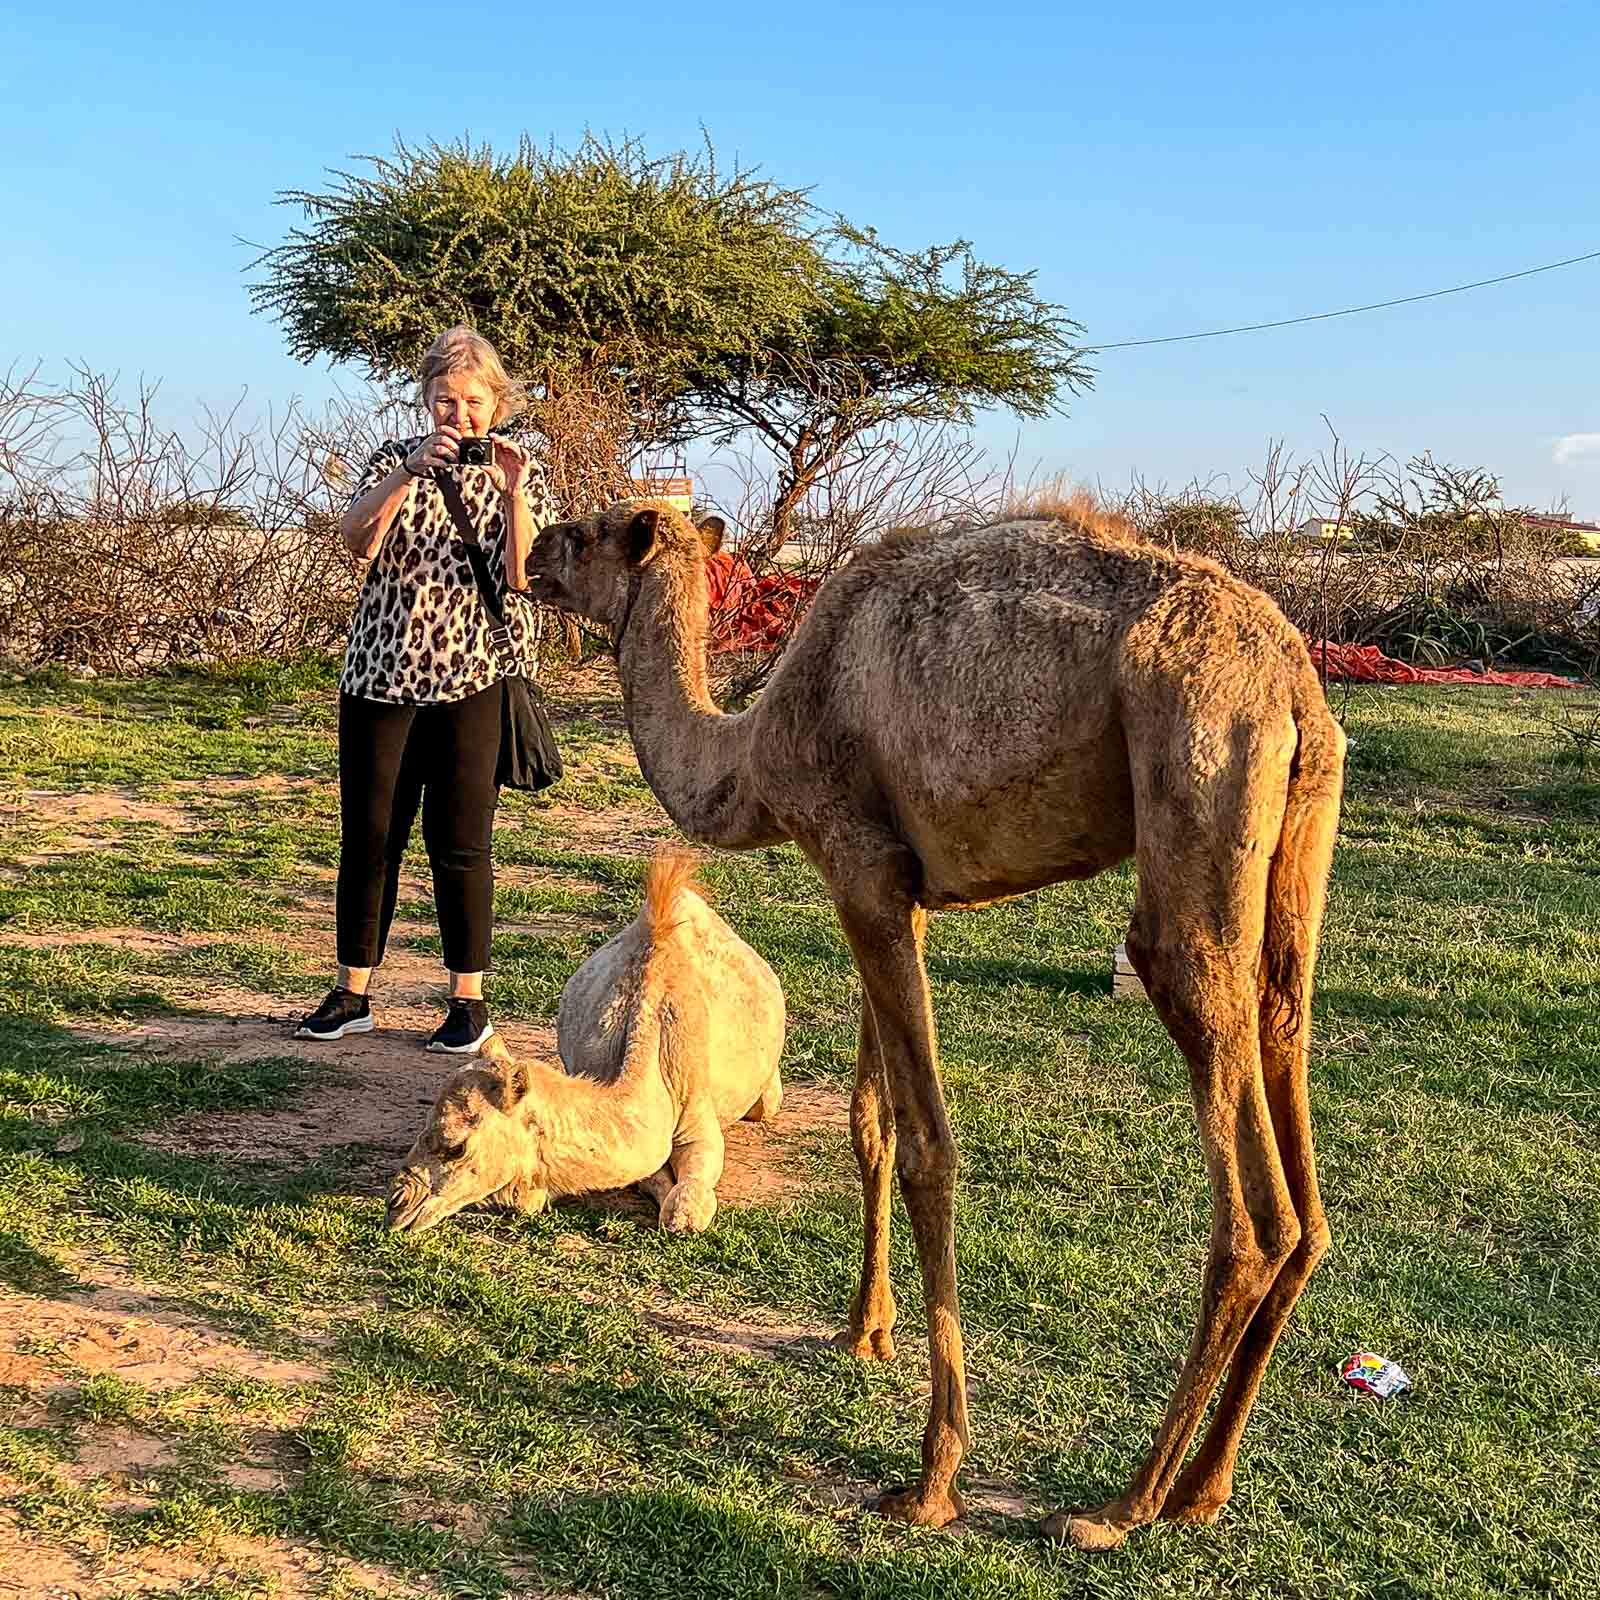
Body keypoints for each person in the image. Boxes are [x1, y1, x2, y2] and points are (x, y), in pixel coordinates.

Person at [295, 327, 556, 1053]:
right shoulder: (394, 460)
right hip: (379, 676)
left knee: (460, 841)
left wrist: (514, 493)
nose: (459, 415)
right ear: (426, 401)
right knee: (369, 836)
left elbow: (525, 576)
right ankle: (352, 991)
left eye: (473, 401)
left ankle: (468, 1001)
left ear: (497, 403)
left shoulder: (521, 471)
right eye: (445, 401)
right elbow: (357, 540)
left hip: (474, 677)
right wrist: (407, 473)